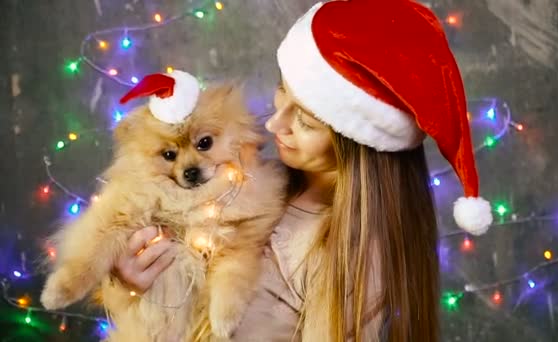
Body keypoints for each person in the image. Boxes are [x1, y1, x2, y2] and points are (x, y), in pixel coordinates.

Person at [113, 0, 493, 341]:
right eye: (282, 90)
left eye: (307, 123)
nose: (276, 124)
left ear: (358, 143)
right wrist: (132, 285)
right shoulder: (258, 179)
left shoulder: (353, 258)